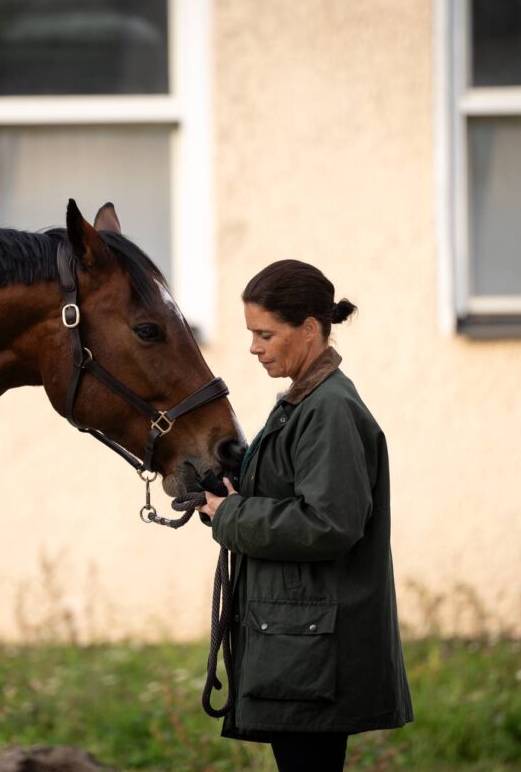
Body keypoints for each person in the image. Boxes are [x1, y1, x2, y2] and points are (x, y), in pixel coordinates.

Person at [198, 260, 413, 771]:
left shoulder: (329, 409)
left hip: (312, 653)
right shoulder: (305, 402)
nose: (254, 347)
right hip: (300, 644)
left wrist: (233, 516)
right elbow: (290, 497)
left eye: (265, 334)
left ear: (310, 329)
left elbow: (329, 524)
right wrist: (228, 498)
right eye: (252, 334)